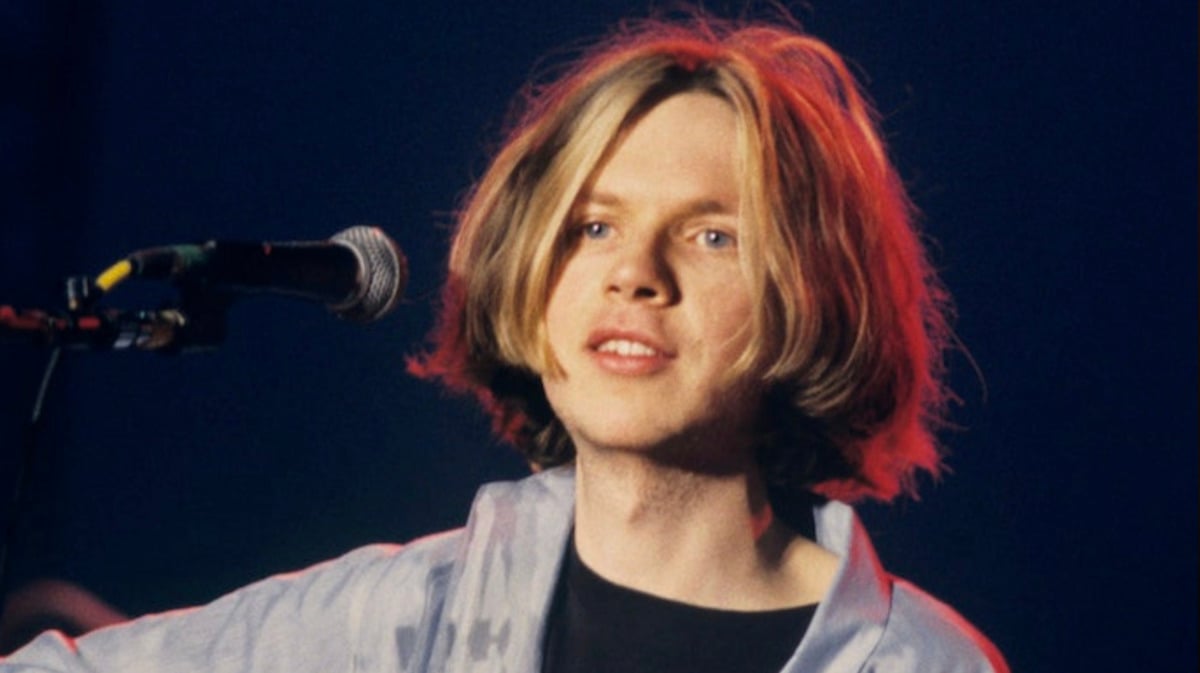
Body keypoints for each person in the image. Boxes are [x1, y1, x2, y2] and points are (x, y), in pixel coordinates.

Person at [2, 11, 1009, 673]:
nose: (634, 272)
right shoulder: (409, 616)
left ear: (815, 295)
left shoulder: (918, 662)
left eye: (713, 236)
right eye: (593, 226)